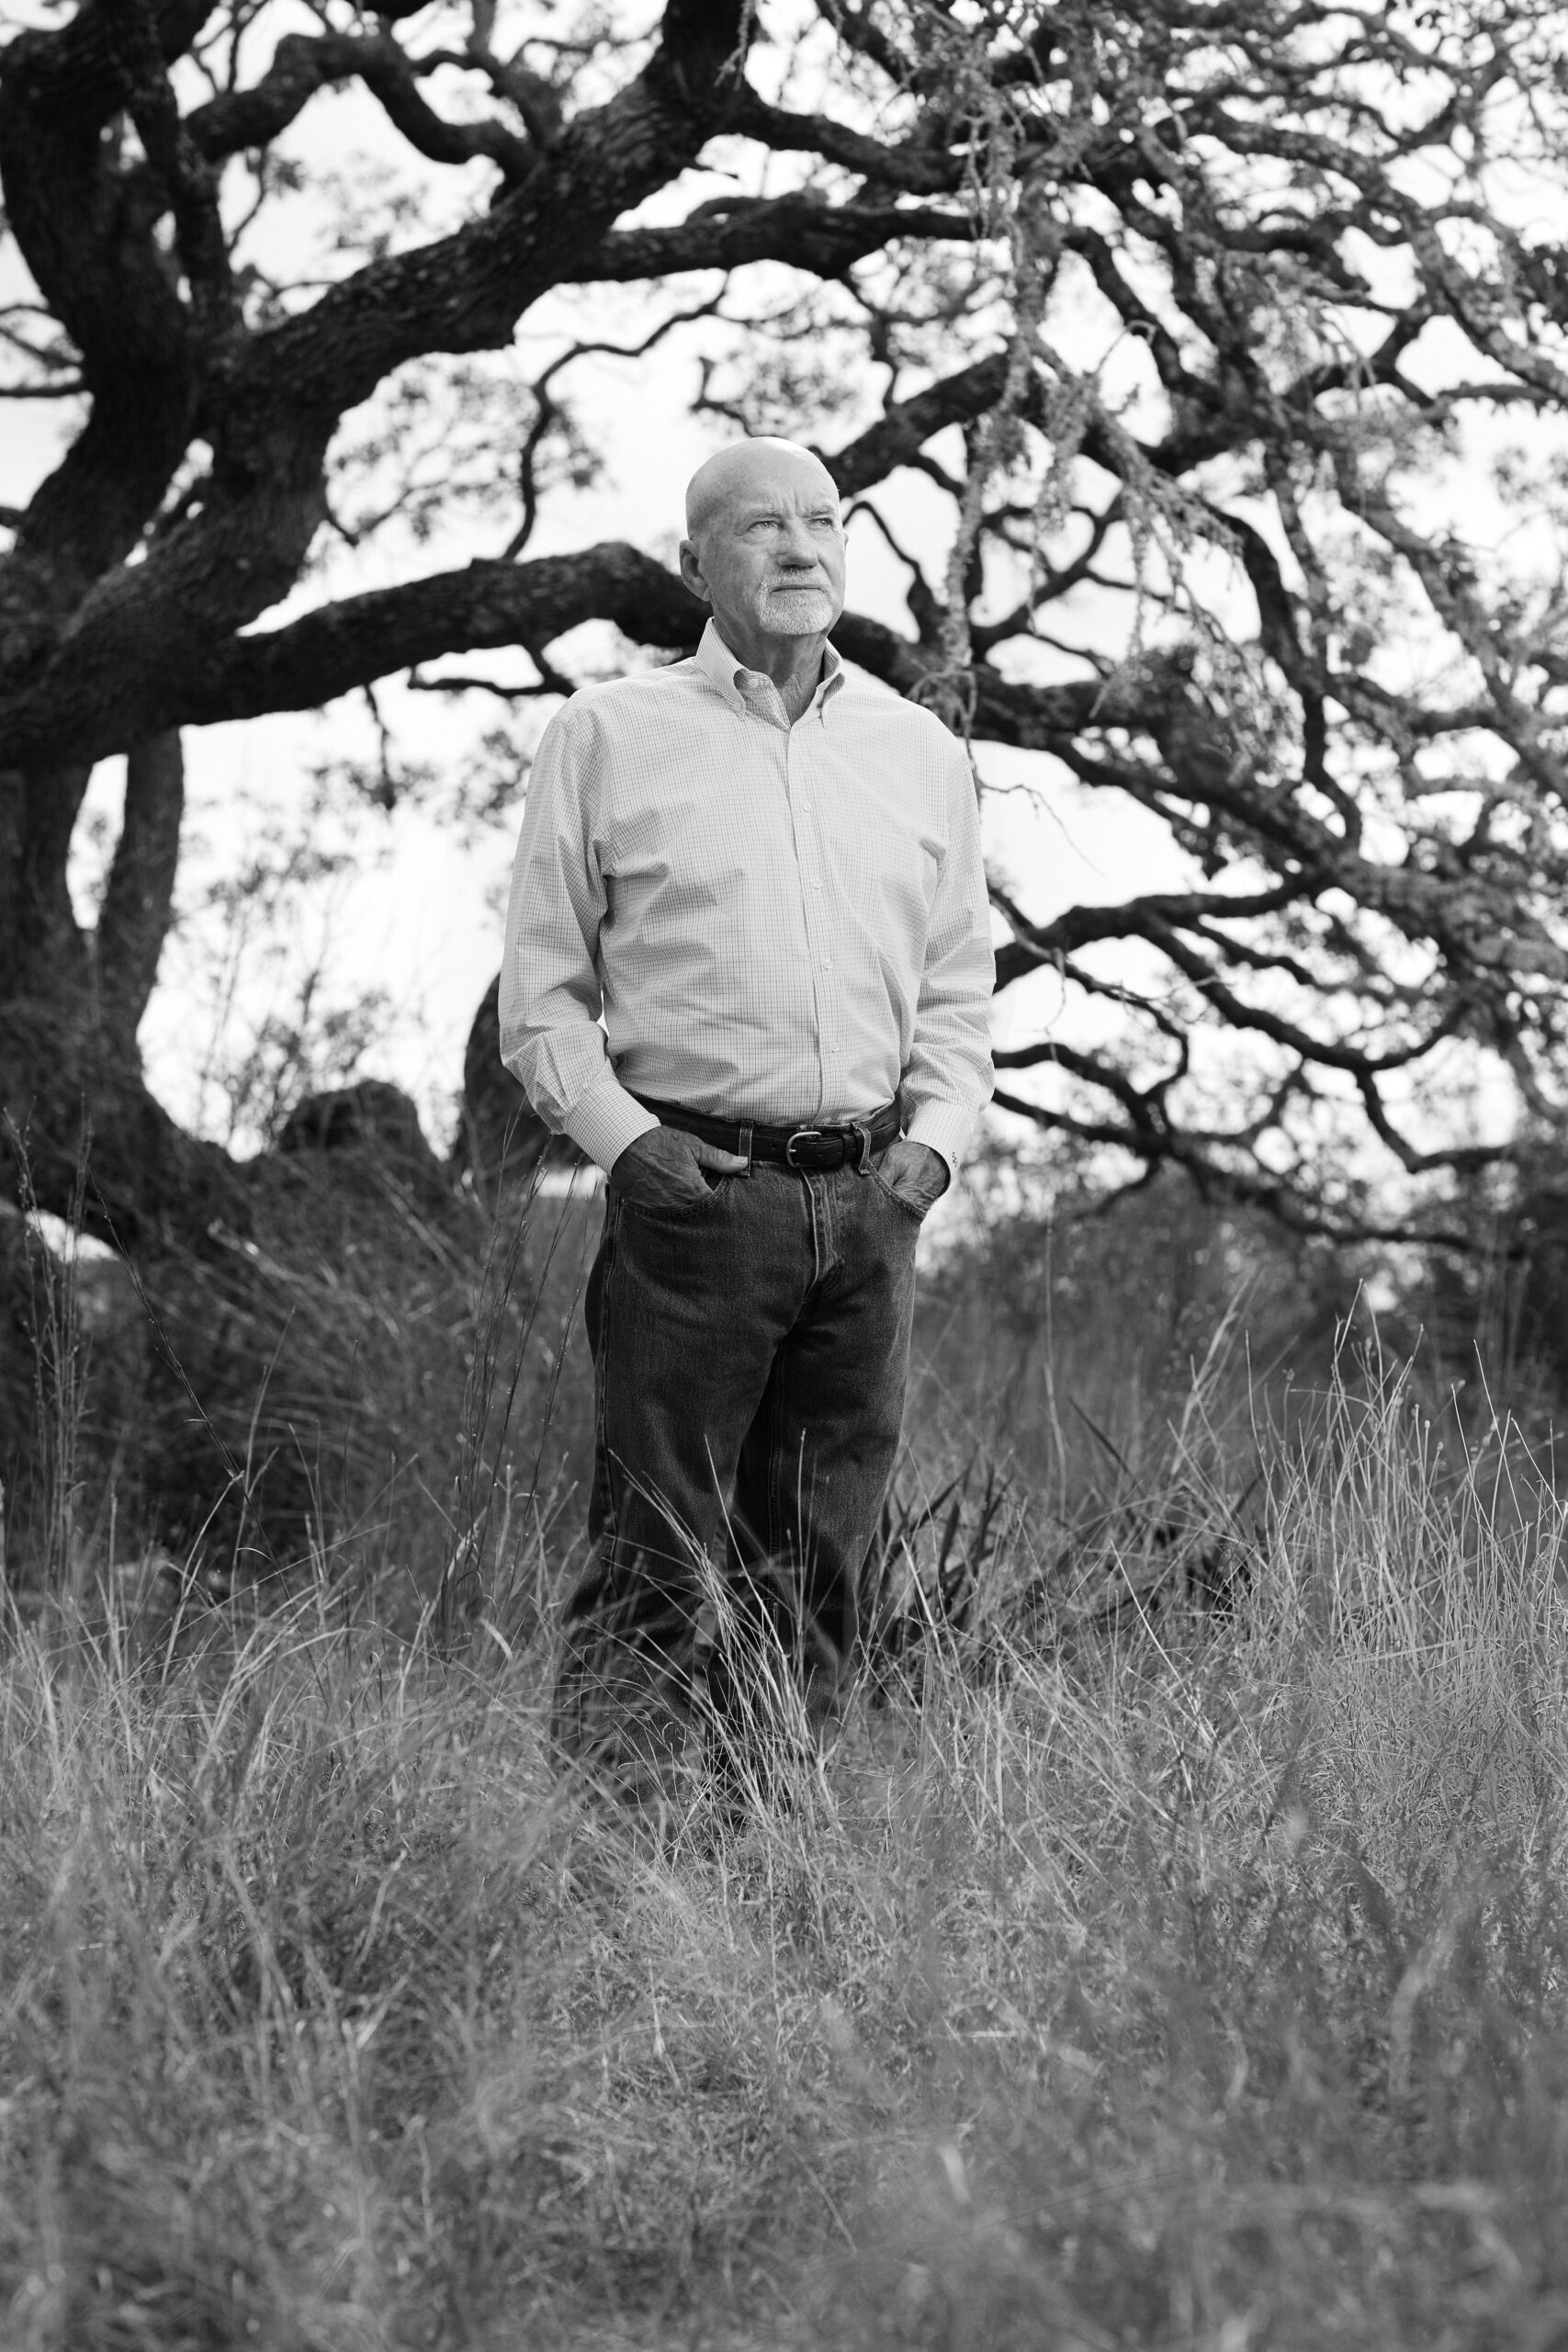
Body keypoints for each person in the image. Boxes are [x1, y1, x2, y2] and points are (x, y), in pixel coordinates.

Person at [500, 435, 994, 1811]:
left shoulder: (919, 751)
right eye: (759, 526)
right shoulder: (606, 735)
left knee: (823, 1570)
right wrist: (632, 1148)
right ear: (693, 564)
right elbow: (540, 999)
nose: (797, 547)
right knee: (656, 1554)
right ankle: (604, 1879)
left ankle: (773, 1876)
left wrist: (936, 1145)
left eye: (822, 521)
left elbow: (957, 986)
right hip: (695, 1201)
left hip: (874, 1206)